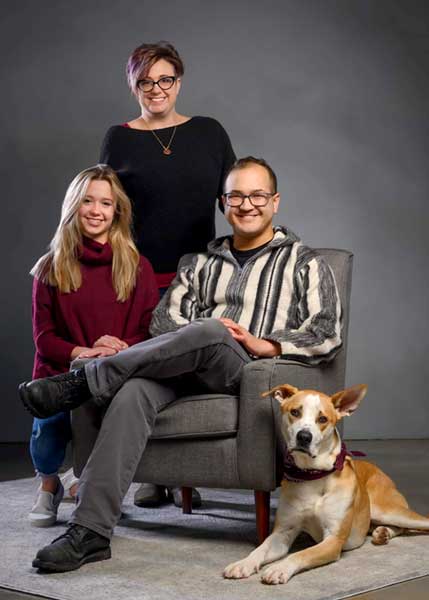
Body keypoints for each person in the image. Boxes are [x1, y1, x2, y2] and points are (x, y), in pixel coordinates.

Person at [19, 156, 342, 572]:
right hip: (180, 369)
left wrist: (264, 344)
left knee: (211, 331)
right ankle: (91, 532)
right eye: (236, 196)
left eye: (257, 195)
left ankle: (85, 381)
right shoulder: (199, 264)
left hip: (244, 373)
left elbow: (326, 332)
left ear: (275, 201)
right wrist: (195, 335)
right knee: (135, 390)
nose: (246, 204)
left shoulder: (304, 263)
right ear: (223, 203)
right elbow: (165, 322)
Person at [100, 40, 236, 509]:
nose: (156, 89)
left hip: (200, 279)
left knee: (190, 376)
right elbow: (106, 207)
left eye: (165, 80)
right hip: (137, 279)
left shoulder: (209, 132)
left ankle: (187, 473)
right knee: (143, 380)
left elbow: (234, 199)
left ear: (179, 81)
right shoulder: (119, 137)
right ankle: (152, 476)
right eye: (145, 81)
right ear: (132, 84)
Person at [27, 164, 158, 527]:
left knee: (105, 429)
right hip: (61, 371)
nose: (96, 211)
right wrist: (83, 353)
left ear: (118, 211)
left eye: (105, 203)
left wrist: (114, 351)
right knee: (49, 427)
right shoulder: (49, 267)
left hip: (114, 370)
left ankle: (90, 484)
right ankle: (50, 484)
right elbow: (44, 338)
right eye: (87, 201)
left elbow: (149, 332)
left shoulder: (137, 267)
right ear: (74, 205)